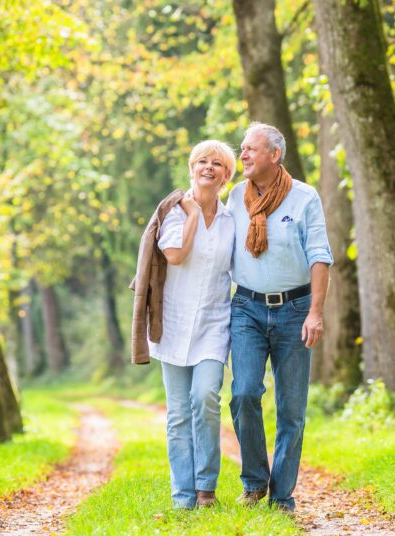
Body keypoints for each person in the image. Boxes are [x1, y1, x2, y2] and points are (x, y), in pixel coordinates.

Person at [227, 122, 333, 512]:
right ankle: (254, 481)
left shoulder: (305, 198)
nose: (244, 156)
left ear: (274, 154)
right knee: (243, 394)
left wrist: (316, 313)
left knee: (291, 409)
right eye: (242, 149)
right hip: (247, 309)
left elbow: (320, 256)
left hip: (295, 311)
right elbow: (213, 246)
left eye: (251, 149)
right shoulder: (235, 198)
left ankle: (282, 495)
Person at [146, 140, 236, 509]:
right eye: (202, 161)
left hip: (215, 323)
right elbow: (176, 255)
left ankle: (206, 487)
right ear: (191, 168)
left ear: (227, 175)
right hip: (174, 323)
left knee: (206, 397)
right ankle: (183, 497)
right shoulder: (174, 213)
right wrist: (194, 215)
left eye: (217, 163)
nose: (209, 167)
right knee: (179, 413)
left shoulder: (233, 220)